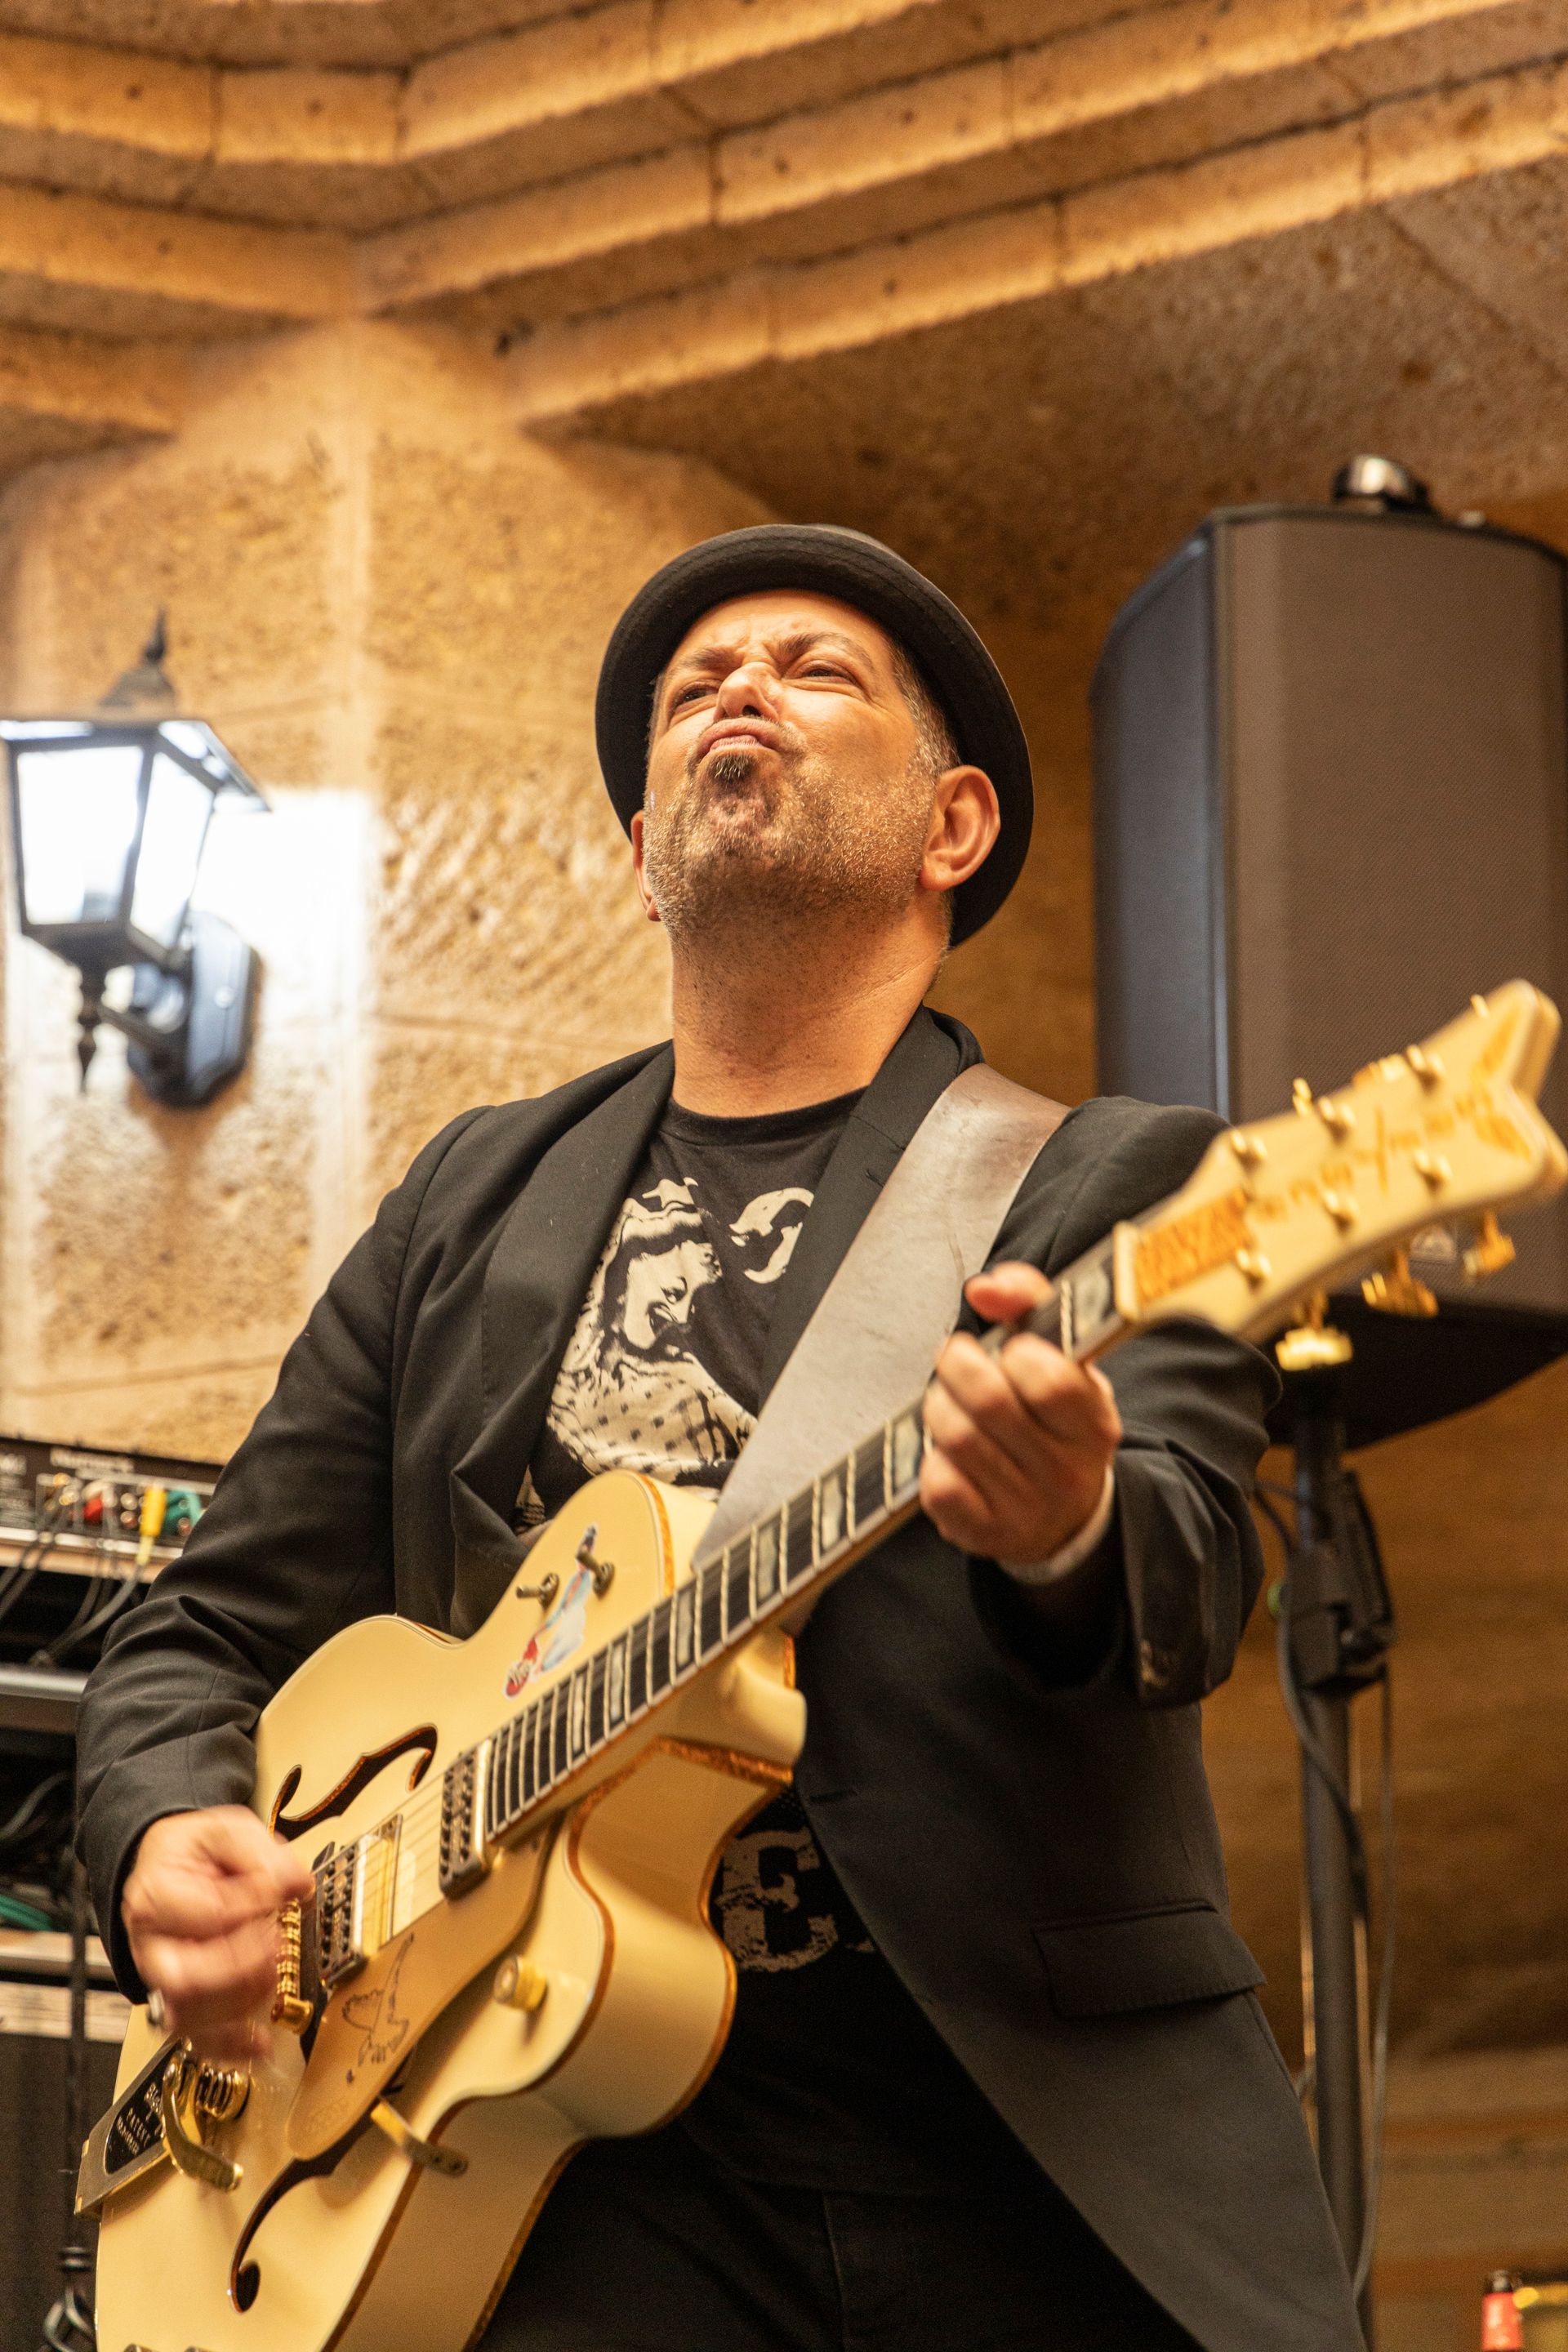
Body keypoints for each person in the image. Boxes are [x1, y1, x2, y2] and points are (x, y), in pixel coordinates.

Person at [76, 526, 1363, 2352]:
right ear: (638, 857)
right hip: (557, 2180)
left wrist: (1066, 1519)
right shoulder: (470, 1202)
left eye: (813, 671)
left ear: (955, 830)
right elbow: (201, 1628)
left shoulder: (1105, 1184)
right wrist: (163, 1835)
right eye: (697, 690)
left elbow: (1188, 1580)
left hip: (1004, 2137)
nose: (739, 689)